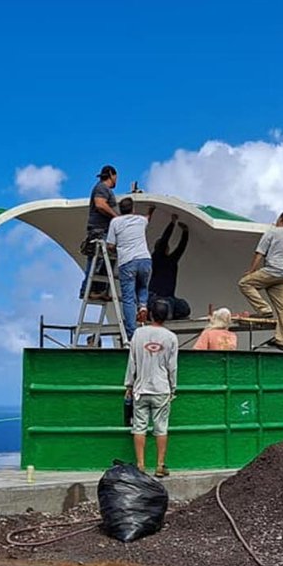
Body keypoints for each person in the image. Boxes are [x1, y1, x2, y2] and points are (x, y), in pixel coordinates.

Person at [125, 298, 178, 477]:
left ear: (150, 314)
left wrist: (129, 385)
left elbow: (132, 362)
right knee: (161, 427)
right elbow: (173, 367)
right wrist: (173, 387)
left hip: (141, 388)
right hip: (162, 388)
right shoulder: (171, 337)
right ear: (167, 316)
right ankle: (160, 465)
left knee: (139, 426)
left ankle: (140, 465)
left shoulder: (138, 334)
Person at [238, 211, 283, 351]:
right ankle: (281, 339)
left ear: (280, 219)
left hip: (272, 272)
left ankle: (264, 309)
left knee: (245, 283)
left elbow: (260, 253)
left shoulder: (271, 232)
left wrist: (251, 270)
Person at [105, 198, 152, 339]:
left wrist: (116, 250)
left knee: (128, 298)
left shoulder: (115, 222)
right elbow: (148, 218)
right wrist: (151, 210)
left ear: (120, 209)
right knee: (143, 286)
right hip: (145, 259)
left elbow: (110, 245)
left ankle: (132, 333)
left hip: (127, 262)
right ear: (133, 208)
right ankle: (143, 306)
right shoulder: (141, 220)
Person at [78, 165, 119, 300]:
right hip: (100, 231)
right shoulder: (102, 188)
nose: (116, 180)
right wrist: (115, 216)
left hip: (102, 230)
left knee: (101, 263)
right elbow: (100, 204)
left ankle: (97, 290)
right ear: (112, 175)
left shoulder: (103, 188)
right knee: (96, 263)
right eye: (116, 177)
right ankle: (87, 291)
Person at [149, 213, 192, 321]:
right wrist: (172, 223)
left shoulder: (171, 260)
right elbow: (164, 240)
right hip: (155, 297)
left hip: (169, 298)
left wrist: (185, 232)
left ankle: (167, 314)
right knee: (165, 307)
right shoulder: (156, 257)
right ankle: (161, 314)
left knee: (184, 308)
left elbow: (180, 248)